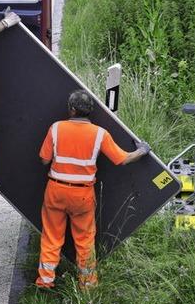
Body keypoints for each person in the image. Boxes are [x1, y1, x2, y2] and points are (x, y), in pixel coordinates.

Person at [36, 90, 151, 290]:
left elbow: (44, 160)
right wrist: (142, 150)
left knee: (52, 237)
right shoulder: (100, 134)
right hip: (82, 196)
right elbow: (122, 159)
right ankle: (87, 284)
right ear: (90, 111)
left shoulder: (55, 128)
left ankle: (45, 282)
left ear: (71, 109)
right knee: (84, 240)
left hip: (55, 191)